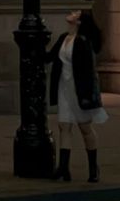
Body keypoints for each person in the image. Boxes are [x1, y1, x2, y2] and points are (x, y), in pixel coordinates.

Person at [45, 9, 107, 183]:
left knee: (85, 128)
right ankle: (63, 168)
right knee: (64, 126)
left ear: (79, 22)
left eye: (75, 13)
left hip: (79, 91)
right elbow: (50, 57)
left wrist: (89, 95)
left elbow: (88, 71)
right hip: (64, 89)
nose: (71, 13)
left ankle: (93, 168)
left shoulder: (82, 42)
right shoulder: (64, 38)